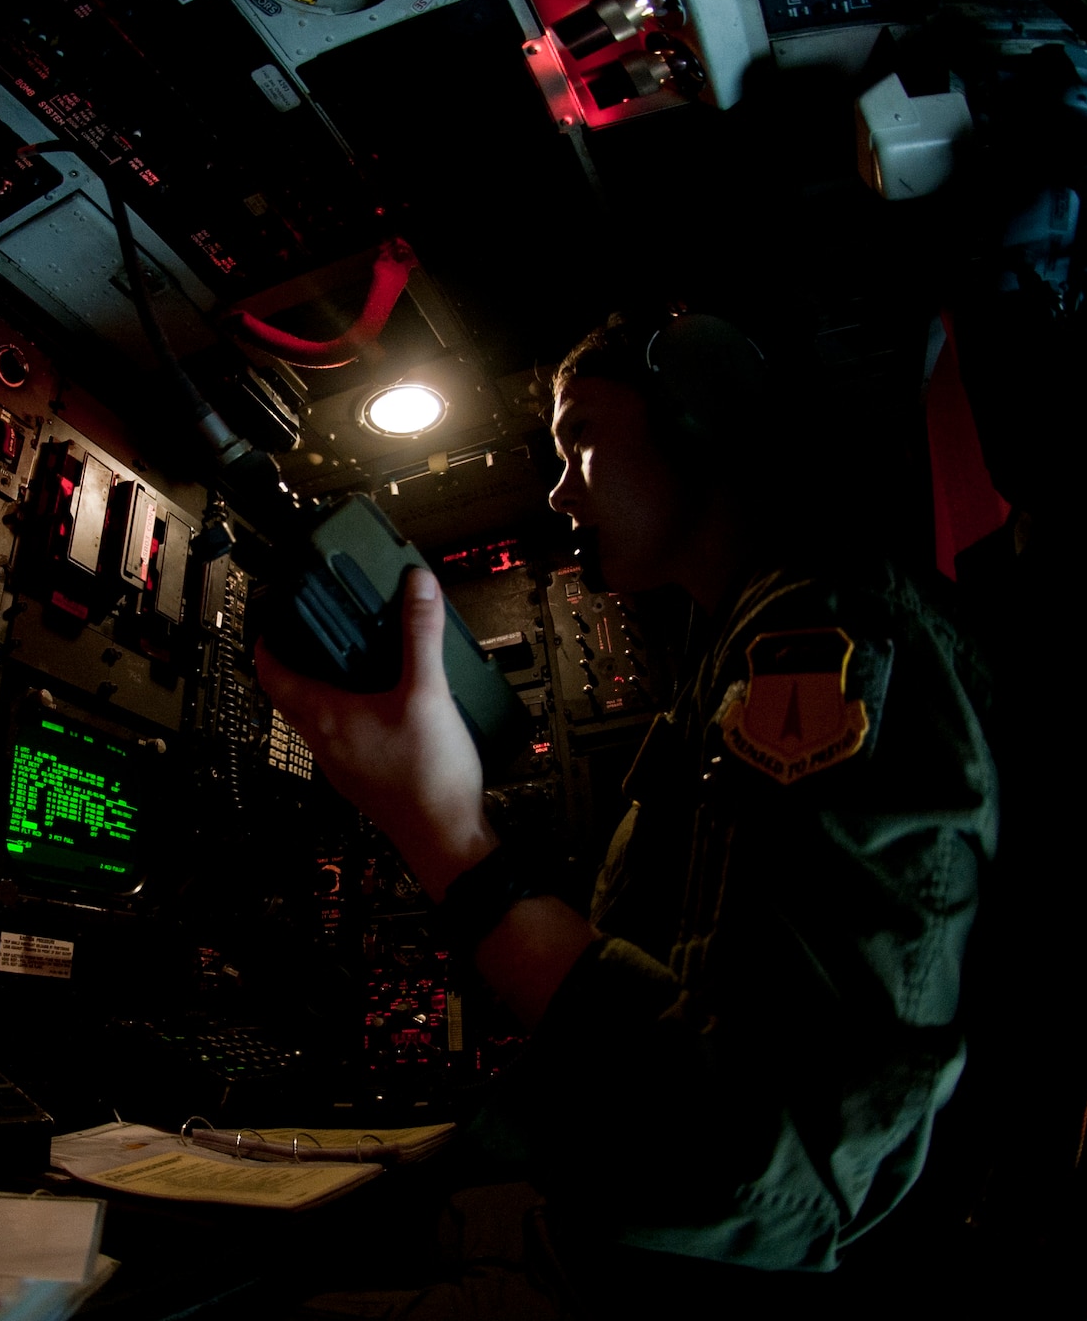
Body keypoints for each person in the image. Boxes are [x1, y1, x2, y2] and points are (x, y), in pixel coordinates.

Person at [254, 309, 998, 1315]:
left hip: (706, 1271)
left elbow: (765, 1166)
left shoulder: (819, 637)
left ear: (699, 417)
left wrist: (445, 837)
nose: (559, 489)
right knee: (310, 1235)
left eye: (581, 439)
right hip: (623, 1223)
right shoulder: (733, 651)